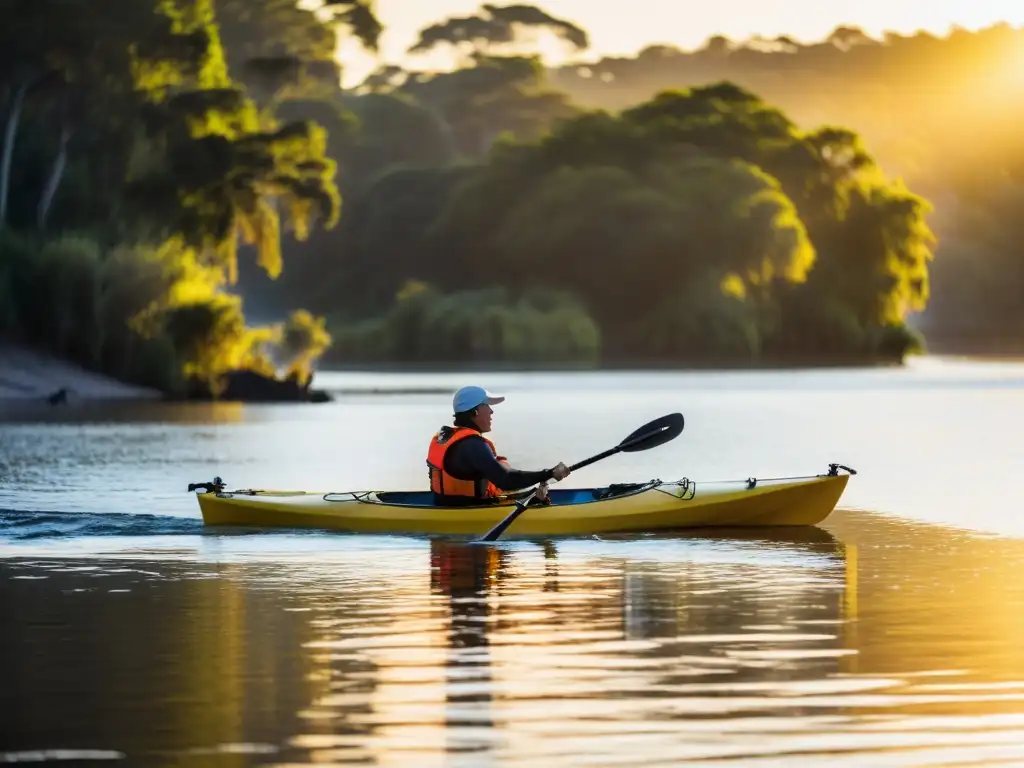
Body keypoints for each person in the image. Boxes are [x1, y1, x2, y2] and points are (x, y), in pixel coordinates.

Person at [427, 385, 571, 506]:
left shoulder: (447, 437)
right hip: (469, 509)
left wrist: (534, 490)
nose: (491, 411)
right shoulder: (472, 445)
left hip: (447, 504)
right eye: (487, 406)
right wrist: (547, 474)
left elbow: (502, 476)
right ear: (475, 412)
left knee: (533, 496)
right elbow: (506, 480)